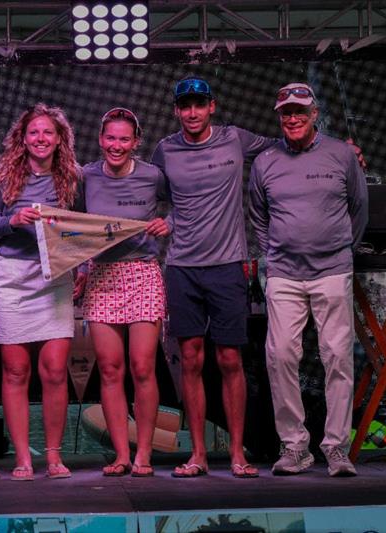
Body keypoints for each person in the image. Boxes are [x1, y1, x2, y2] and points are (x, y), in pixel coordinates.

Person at [151, 77, 277, 479]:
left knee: (229, 358)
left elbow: (286, 146)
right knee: (190, 359)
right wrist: (167, 221)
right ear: (176, 110)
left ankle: (238, 453)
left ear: (212, 107)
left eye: (199, 104)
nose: (192, 112)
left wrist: (339, 150)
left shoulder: (235, 139)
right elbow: (149, 193)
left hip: (227, 266)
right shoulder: (165, 150)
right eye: (184, 105)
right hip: (183, 267)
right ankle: (199, 455)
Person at [248, 83, 367, 477]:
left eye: (300, 111)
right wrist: (275, 252)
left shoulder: (341, 155)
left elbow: (359, 208)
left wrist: (340, 248)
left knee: (338, 357)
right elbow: (258, 215)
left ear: (314, 113)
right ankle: (295, 447)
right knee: (280, 356)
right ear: (279, 117)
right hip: (284, 274)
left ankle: (336, 447)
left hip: (332, 270)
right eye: (286, 112)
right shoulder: (265, 161)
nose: (293, 118)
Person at [0, 103, 83, 481]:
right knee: (15, 370)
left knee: (55, 371)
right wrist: (13, 219)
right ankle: (23, 457)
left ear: (60, 139)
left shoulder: (73, 177)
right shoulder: (2, 177)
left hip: (54, 275)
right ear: (22, 139)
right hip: (11, 275)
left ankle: (53, 458)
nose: (41, 139)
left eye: (48, 133)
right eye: (34, 133)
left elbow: (83, 228)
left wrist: (83, 264)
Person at [80, 108, 170, 477]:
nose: (116, 145)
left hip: (143, 273)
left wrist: (170, 222)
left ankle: (144, 453)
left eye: (124, 139)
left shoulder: (152, 176)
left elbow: (181, 205)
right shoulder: (84, 176)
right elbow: (71, 225)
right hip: (102, 276)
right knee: (110, 369)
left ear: (136, 142)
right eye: (110, 138)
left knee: (142, 367)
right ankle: (121, 454)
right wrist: (81, 266)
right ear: (101, 140)